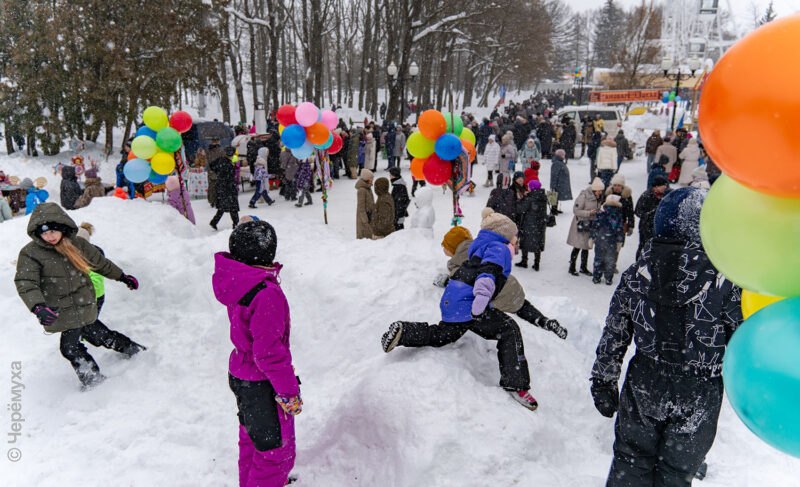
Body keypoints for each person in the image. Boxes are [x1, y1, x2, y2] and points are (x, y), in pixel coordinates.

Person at [591, 188, 742, 487]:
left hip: (645, 381)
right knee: (676, 473)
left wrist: (603, 378)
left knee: (631, 463)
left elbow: (616, 331)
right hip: (699, 388)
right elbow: (742, 336)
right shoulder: (724, 281)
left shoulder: (638, 273)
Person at [380, 209, 540, 411]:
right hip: (471, 303)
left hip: (454, 298)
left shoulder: (478, 246)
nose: (515, 238)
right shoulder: (498, 248)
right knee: (509, 329)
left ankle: (406, 331)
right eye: (513, 233)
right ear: (504, 233)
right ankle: (516, 384)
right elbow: (488, 274)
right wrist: (480, 304)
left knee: (443, 334)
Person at [212, 221, 301, 487]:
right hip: (262, 383)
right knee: (276, 454)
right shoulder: (266, 294)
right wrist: (289, 392)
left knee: (252, 440)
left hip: (242, 374)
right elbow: (269, 354)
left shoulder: (238, 280)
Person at [14, 204, 141, 388]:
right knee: (96, 334)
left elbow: (101, 264)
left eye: (53, 231)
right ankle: (131, 349)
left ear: (61, 226)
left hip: (83, 302)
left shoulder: (78, 245)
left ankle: (94, 382)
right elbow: (26, 282)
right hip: (62, 310)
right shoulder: (31, 253)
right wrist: (37, 306)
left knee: (70, 347)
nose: (49, 237)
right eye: (44, 233)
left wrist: (122, 277)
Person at [568, 178, 604, 276]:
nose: (600, 193)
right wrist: (589, 213)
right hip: (580, 225)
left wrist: (598, 212)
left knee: (586, 247)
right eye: (599, 191)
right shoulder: (583, 196)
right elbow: (576, 211)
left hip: (589, 225)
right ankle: (572, 267)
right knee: (577, 247)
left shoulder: (598, 198)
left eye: (601, 191)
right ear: (594, 190)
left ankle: (583, 267)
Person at [590, 194, 625, 285]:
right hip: (612, 241)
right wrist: (620, 241)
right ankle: (608, 278)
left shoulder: (600, 212)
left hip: (600, 240)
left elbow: (595, 226)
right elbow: (620, 229)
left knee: (598, 259)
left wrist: (592, 237)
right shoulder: (618, 214)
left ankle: (596, 277)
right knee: (610, 260)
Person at [515, 180, 548, 270]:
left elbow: (520, 209)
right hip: (540, 225)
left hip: (529, 224)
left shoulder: (530, 198)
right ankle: (536, 263)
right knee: (537, 242)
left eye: (529, 186)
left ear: (532, 188)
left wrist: (520, 199)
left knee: (525, 241)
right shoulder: (542, 197)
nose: (528, 188)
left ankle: (524, 261)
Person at [634, 176, 670, 259]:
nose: (665, 187)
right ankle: (639, 263)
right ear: (656, 187)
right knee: (644, 247)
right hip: (646, 227)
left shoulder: (667, 195)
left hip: (659, 227)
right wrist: (651, 214)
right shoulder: (646, 196)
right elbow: (638, 211)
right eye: (663, 185)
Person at [210, 147, 240, 230]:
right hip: (227, 187)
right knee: (232, 206)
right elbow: (228, 175)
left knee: (223, 207)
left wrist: (217, 172)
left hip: (222, 186)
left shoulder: (221, 160)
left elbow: (211, 165)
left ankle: (214, 222)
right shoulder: (227, 163)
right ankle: (236, 223)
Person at [549, 149, 572, 215]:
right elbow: (554, 175)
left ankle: (555, 209)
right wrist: (553, 185)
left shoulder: (559, 162)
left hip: (560, 183)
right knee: (554, 195)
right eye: (563, 155)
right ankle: (553, 210)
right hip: (558, 183)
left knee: (557, 196)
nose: (564, 156)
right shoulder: (557, 163)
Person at [356, 169, 375, 239]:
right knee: (364, 239)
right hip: (364, 219)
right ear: (366, 178)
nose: (372, 180)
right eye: (371, 178)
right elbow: (361, 207)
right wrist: (365, 221)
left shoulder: (368, 188)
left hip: (369, 216)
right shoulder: (362, 190)